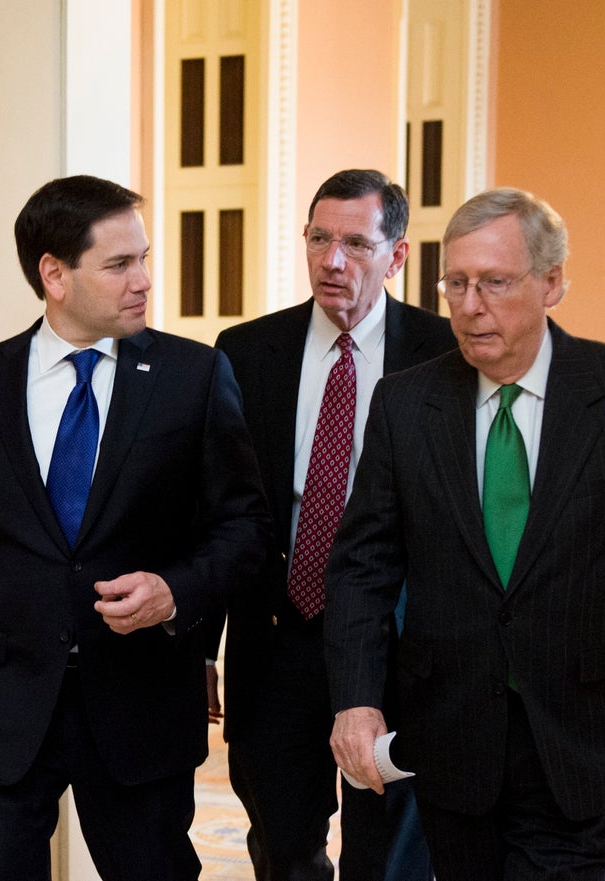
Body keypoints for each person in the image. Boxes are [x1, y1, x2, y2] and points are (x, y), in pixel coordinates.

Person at [324, 187, 605, 880]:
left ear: (552, 282)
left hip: (583, 734)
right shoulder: (406, 403)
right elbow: (361, 565)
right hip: (450, 738)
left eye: (494, 282)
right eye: (455, 283)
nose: (468, 304)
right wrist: (356, 698)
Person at [0, 174, 270, 881]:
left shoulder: (193, 376)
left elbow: (247, 527)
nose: (144, 279)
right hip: (2, 707)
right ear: (54, 274)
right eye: (120, 264)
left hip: (140, 708)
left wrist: (174, 590)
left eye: (143, 257)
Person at [210, 169, 456, 880]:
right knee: (283, 849)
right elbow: (221, 507)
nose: (332, 260)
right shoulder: (247, 350)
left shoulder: (447, 355)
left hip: (399, 644)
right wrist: (200, 646)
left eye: (355, 242)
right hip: (277, 639)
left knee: (390, 859)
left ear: (398, 254)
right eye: (320, 238)